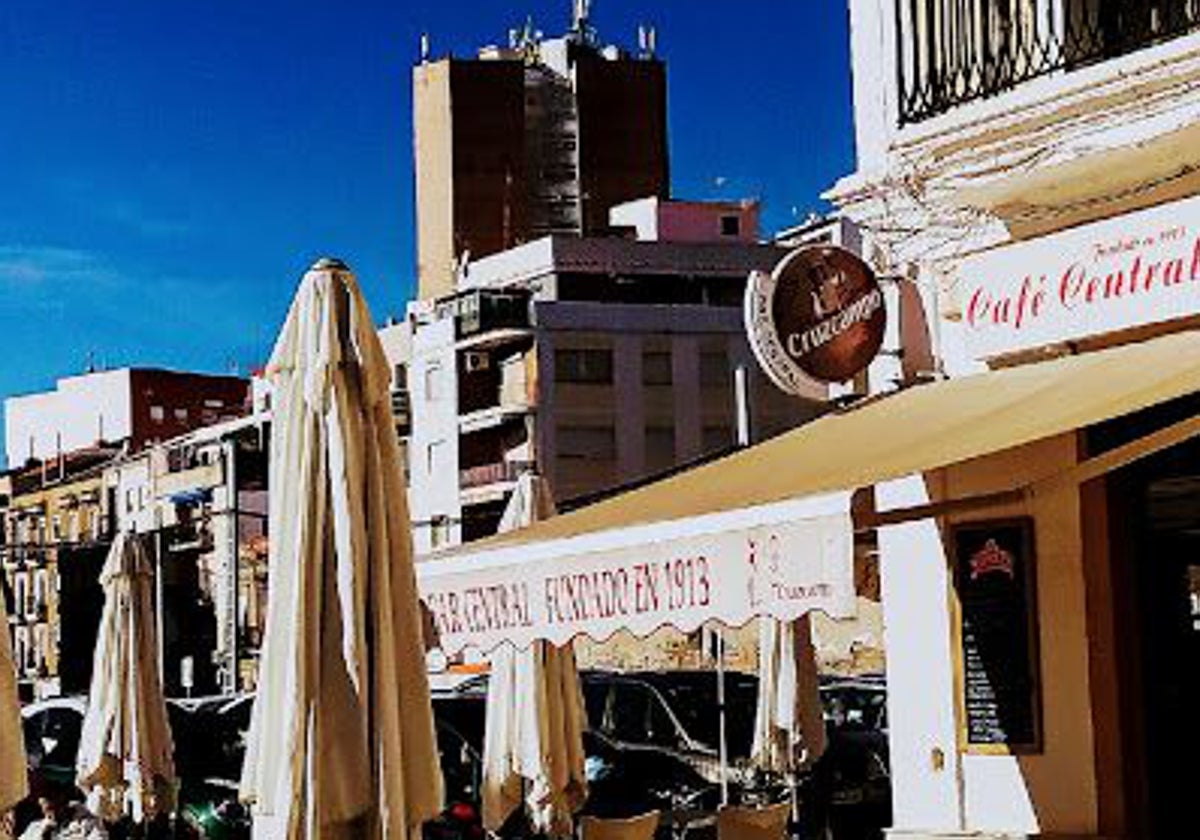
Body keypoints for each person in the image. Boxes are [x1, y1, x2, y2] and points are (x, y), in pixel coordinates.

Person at [17, 778, 106, 840]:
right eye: (45, 810)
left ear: (63, 801)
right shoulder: (35, 828)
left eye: (52, 808)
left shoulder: (87, 823)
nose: (50, 815)